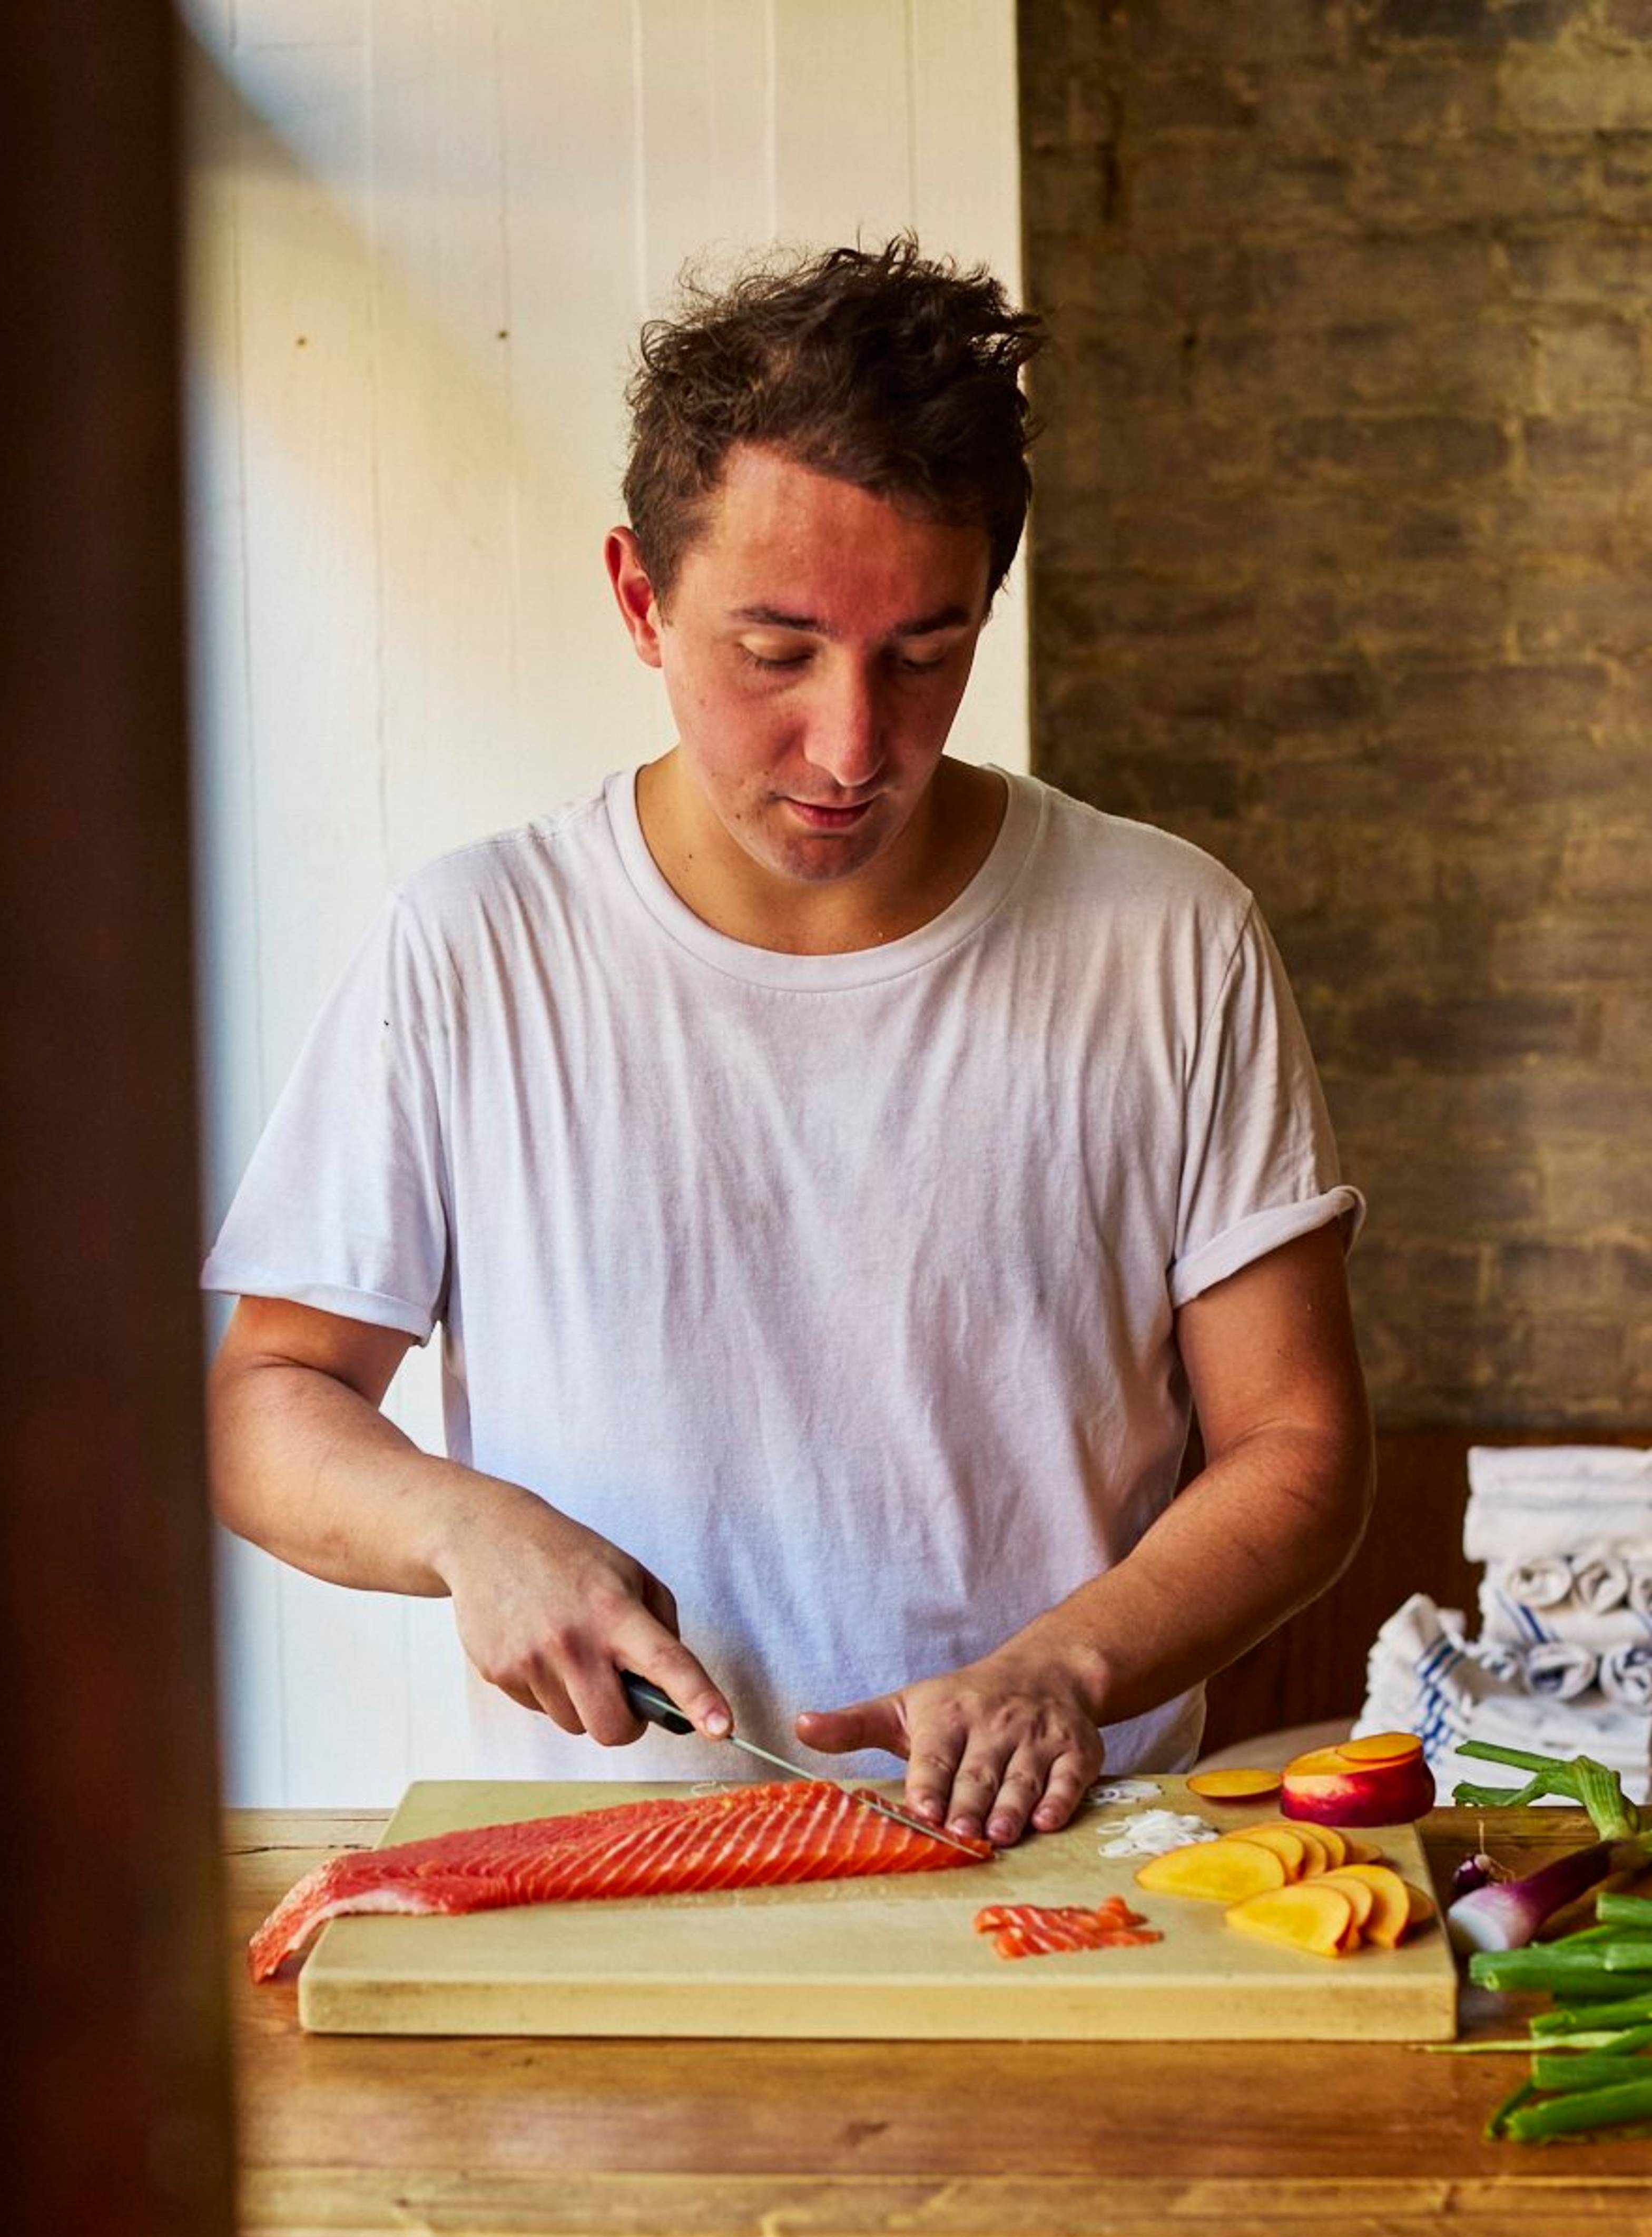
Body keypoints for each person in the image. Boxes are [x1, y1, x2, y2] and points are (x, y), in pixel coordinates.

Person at [202, 235, 1372, 1857]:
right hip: (601, 1893)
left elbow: (1297, 1442)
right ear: (639, 597)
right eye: (777, 651)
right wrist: (463, 1528)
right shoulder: (473, 946)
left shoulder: (1167, 936)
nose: (851, 747)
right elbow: (273, 1396)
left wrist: (1064, 1669)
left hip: (1077, 1877)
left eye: (925, 654)